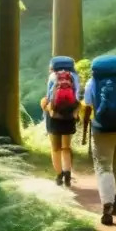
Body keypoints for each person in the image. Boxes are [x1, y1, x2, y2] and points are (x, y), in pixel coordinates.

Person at [81, 54, 116, 225]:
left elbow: (88, 103)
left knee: (104, 167)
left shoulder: (92, 83)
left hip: (100, 130)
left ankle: (107, 203)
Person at [41, 56, 80, 187]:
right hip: (69, 115)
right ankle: (68, 175)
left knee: (55, 148)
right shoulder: (74, 77)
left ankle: (59, 176)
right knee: (66, 147)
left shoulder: (53, 76)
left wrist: (45, 108)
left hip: (54, 115)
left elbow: (48, 97)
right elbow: (77, 97)